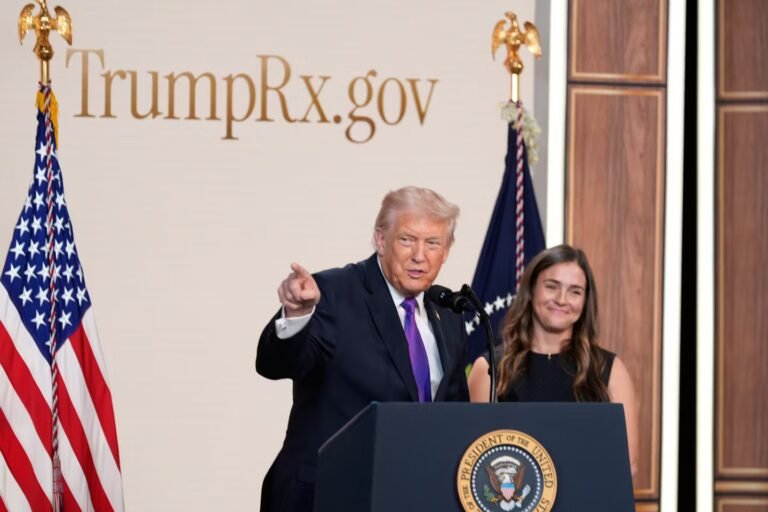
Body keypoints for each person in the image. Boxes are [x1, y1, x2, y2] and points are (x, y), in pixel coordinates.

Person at [256, 186, 469, 511]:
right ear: (381, 240)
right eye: (407, 240)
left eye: (432, 243)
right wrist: (297, 316)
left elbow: (454, 414)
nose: (420, 255)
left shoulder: (449, 313)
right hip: (328, 494)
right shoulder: (333, 292)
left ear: (447, 250)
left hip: (411, 495)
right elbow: (275, 364)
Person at [467, 244, 638, 476]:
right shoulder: (489, 368)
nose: (561, 299)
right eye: (551, 286)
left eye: (575, 291)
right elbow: (476, 462)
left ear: (585, 301)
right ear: (531, 290)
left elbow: (627, 465)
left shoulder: (609, 370)